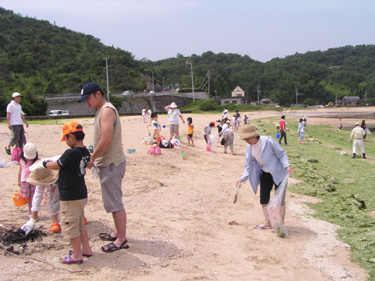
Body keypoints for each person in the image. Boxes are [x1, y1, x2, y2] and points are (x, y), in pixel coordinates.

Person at [79, 82, 129, 252]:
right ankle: (117, 232)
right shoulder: (102, 110)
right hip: (110, 162)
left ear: (98, 94)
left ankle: (122, 239)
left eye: (88, 98)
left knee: (115, 202)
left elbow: (106, 140)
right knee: (112, 201)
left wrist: (92, 158)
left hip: (112, 164)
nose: (87, 102)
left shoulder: (107, 110)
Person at [42, 121, 92, 264]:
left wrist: (44, 163)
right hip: (81, 193)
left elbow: (57, 165)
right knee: (80, 224)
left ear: (71, 137)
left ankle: (77, 255)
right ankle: (86, 249)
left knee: (70, 225)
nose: (65, 142)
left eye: (65, 139)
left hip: (70, 195)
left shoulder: (70, 153)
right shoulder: (85, 151)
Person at [236, 125, 292, 229]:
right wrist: (242, 179)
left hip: (278, 172)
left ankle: (280, 225)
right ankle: (268, 222)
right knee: (264, 198)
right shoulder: (249, 148)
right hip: (265, 173)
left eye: (247, 138)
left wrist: (287, 165)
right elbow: (248, 166)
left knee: (280, 199)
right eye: (245, 139)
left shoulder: (268, 141)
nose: (246, 141)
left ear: (254, 136)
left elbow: (281, 154)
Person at [21, 161, 61, 235]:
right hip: (54, 190)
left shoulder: (58, 174)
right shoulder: (41, 175)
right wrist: (32, 220)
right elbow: (37, 196)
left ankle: (80, 217)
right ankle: (55, 223)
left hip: (65, 186)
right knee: (51, 200)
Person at [18, 143, 38, 215]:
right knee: (29, 198)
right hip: (25, 181)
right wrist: (18, 181)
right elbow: (20, 171)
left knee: (34, 198)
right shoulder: (22, 161)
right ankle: (31, 211)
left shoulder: (37, 161)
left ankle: (34, 213)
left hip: (34, 181)